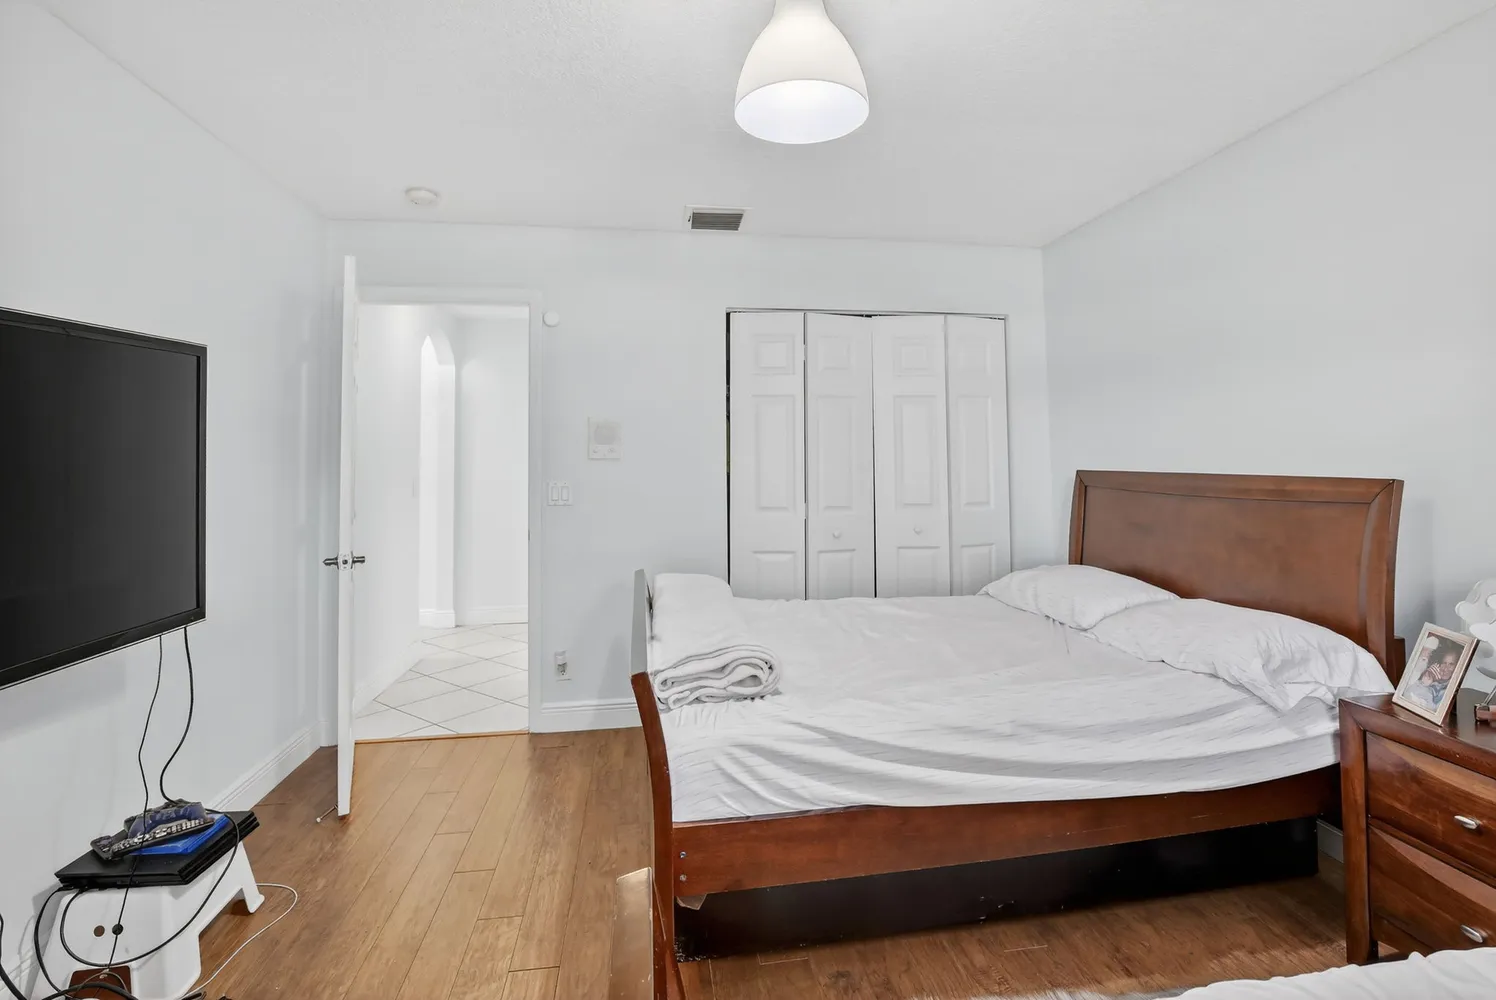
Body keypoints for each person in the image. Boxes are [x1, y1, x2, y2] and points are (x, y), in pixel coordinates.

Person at [1405, 643, 1462, 710]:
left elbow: (1433, 711)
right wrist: (1423, 682)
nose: (1445, 668)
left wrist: (1424, 686)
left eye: (1451, 664)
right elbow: (1407, 693)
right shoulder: (1431, 676)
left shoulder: (1448, 690)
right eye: (1444, 663)